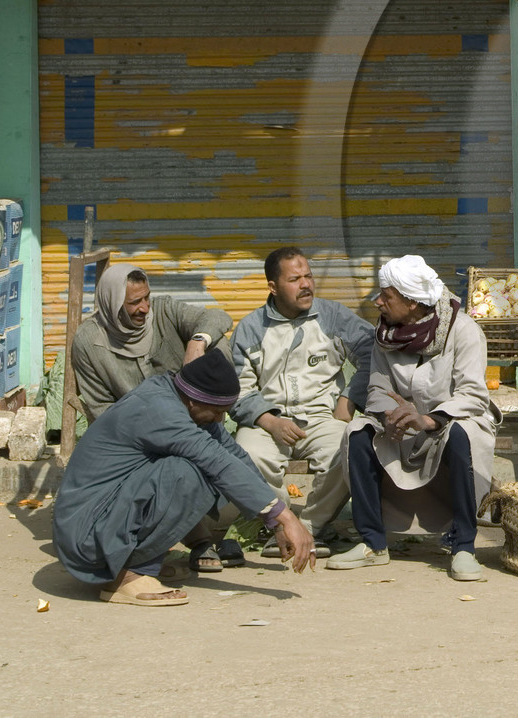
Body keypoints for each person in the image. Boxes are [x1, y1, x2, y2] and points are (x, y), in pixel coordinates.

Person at [52, 348, 316, 607]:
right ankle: (127, 575)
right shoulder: (159, 409)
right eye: (215, 412)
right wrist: (286, 517)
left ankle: (137, 560)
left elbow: (234, 456)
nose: (219, 418)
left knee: (208, 466)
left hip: (101, 521)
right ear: (193, 400)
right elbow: (218, 462)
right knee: (188, 474)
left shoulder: (184, 401)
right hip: (86, 537)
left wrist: (274, 523)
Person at [329, 256, 500, 582]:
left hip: (449, 424)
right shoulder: (385, 335)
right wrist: (389, 415)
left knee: (464, 434)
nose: (377, 301)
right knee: (358, 431)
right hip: (403, 429)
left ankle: (464, 545)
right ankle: (372, 544)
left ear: (411, 302)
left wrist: (430, 419)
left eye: (386, 296)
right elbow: (377, 387)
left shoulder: (463, 331)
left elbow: (473, 396)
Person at [230, 247, 375, 558]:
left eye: (308, 276)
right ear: (273, 287)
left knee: (350, 447)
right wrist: (269, 420)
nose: (306, 284)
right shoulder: (251, 328)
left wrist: (349, 399)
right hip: (268, 421)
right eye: (295, 279)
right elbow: (238, 390)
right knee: (246, 453)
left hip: (322, 418)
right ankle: (279, 527)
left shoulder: (334, 316)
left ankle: (309, 527)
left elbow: (373, 354)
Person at [71, 265, 233, 424]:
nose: (145, 308)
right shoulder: (88, 341)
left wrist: (196, 343)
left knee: (216, 342)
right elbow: (101, 406)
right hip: (139, 427)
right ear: (113, 304)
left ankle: (213, 421)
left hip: (192, 415)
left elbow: (216, 317)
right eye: (135, 302)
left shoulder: (164, 310)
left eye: (147, 297)